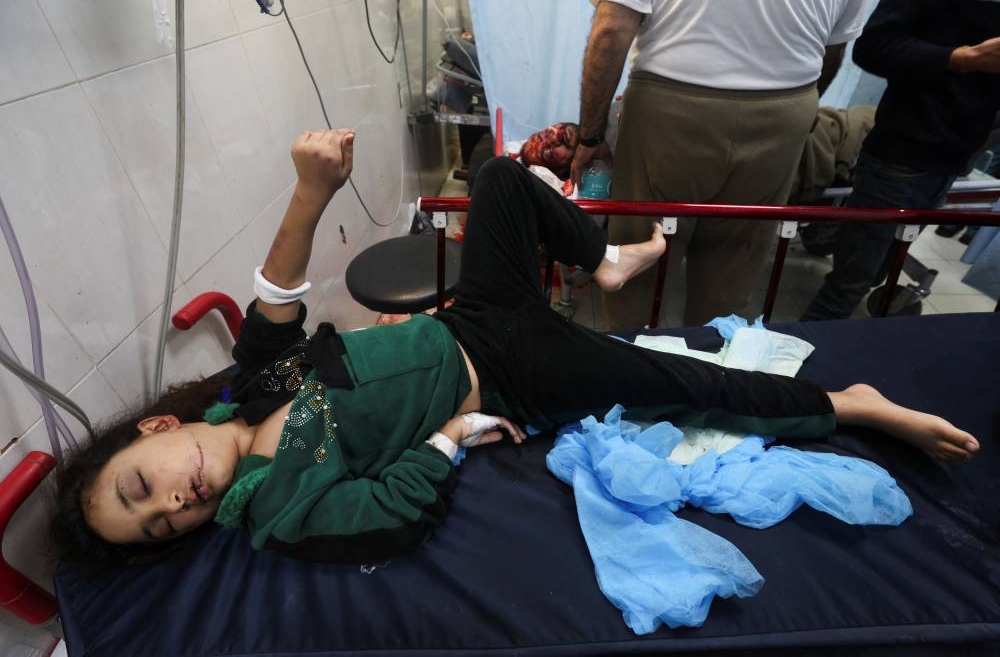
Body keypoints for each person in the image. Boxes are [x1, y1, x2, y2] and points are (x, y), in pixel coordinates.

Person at [52, 129, 979, 568]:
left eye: (144, 486)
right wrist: (449, 437)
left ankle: (605, 260)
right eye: (163, 525)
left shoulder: (247, 384)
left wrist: (312, 187)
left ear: (157, 428)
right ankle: (851, 402)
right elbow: (393, 511)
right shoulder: (281, 507)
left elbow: (277, 296)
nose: (176, 502)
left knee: (501, 178)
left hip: (472, 317)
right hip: (509, 374)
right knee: (684, 382)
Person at [569, 0, 874, 329]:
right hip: (783, 112)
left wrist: (590, 134)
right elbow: (834, 44)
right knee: (732, 272)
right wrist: (800, 111)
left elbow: (611, 29)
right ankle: (713, 374)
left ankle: (631, 367)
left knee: (639, 263)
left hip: (671, 109)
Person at [802, 0, 1000, 322]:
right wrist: (963, 59)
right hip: (904, 151)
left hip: (954, 157)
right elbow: (873, 46)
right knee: (847, 286)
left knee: (877, 271)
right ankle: (794, 371)